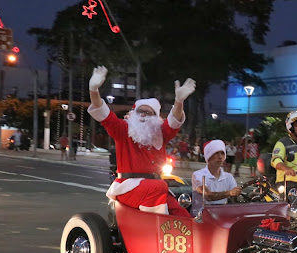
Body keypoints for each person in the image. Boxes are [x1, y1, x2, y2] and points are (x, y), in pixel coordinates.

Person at [87, 65, 196, 216]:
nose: (144, 115)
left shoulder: (160, 133)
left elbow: (174, 120)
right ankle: (153, 231)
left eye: (149, 113)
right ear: (133, 113)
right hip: (128, 187)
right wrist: (94, 90)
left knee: (183, 216)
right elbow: (103, 113)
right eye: (140, 111)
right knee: (158, 187)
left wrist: (178, 101)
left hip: (155, 188)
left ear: (156, 117)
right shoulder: (123, 130)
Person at [191, 139, 242, 217]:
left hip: (222, 216)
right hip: (201, 217)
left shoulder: (229, 177)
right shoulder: (198, 175)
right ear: (209, 156)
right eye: (216, 153)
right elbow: (208, 196)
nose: (220, 157)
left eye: (222, 153)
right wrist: (229, 193)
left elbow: (235, 199)